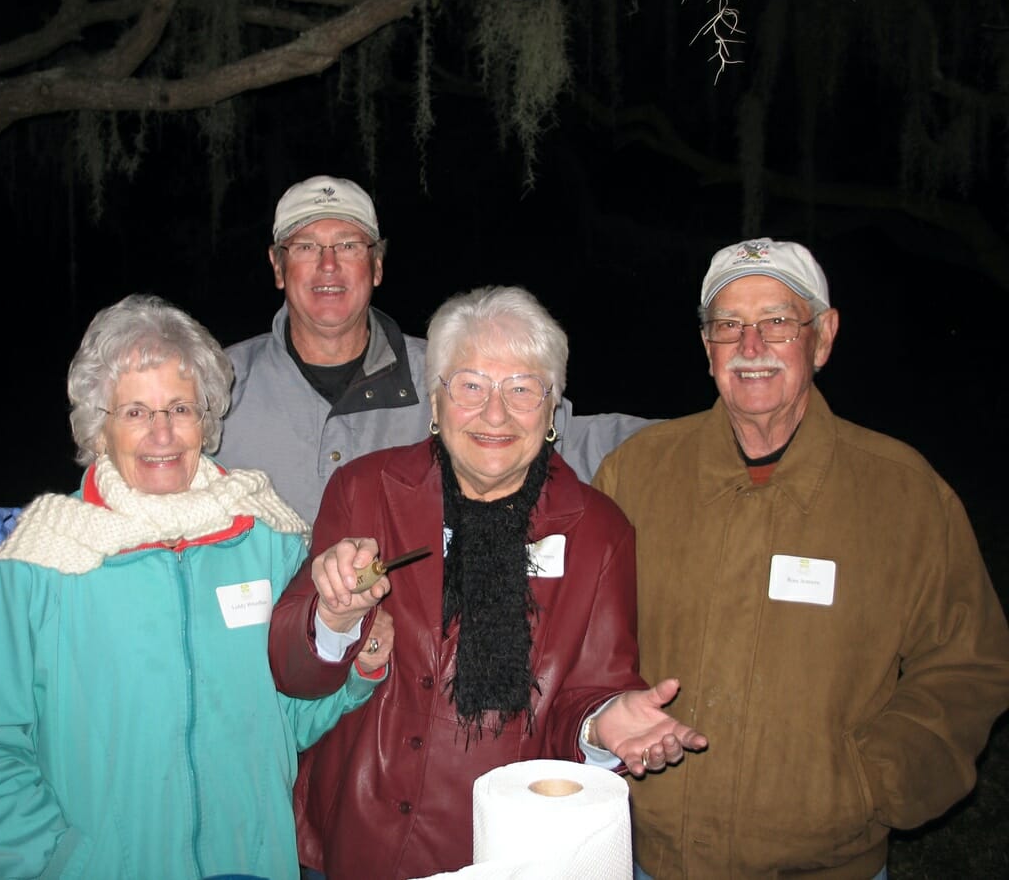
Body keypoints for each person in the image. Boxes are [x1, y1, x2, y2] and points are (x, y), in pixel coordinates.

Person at [0, 294, 393, 880]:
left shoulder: (266, 539)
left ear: (207, 418)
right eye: (135, 412)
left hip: (252, 866)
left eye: (180, 407)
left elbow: (290, 719)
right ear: (99, 428)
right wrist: (56, 865)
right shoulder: (44, 561)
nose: (162, 433)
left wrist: (353, 655)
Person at [592, 238, 1009, 878]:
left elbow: (968, 665)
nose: (751, 345)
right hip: (651, 857)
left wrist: (874, 783)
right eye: (729, 325)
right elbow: (582, 638)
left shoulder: (904, 494)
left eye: (778, 322)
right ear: (707, 346)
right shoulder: (637, 473)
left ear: (823, 338)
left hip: (828, 865)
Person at [267, 285, 708, 879]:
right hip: (358, 831)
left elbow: (586, 692)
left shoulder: (598, 532)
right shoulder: (365, 490)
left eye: (522, 389)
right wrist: (333, 618)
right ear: (436, 400)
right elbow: (292, 673)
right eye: (471, 386)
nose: (495, 414)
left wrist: (602, 723)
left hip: (505, 845)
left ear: (551, 410)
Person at [216, 173, 656, 522]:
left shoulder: (450, 372)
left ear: (376, 265)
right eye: (306, 246)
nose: (328, 264)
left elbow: (570, 437)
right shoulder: (222, 384)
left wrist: (686, 444)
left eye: (348, 246)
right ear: (278, 266)